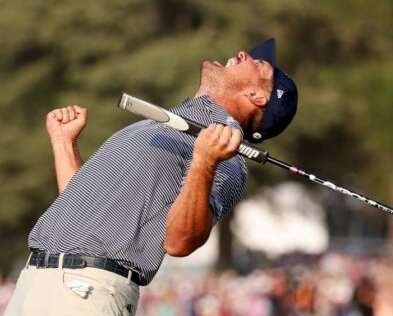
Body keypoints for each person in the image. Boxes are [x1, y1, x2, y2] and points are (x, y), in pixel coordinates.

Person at [5, 38, 297, 315]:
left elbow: (180, 243)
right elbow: (83, 207)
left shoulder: (228, 159)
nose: (244, 54)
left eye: (259, 65)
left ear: (256, 96)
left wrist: (205, 162)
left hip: (87, 291)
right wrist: (64, 144)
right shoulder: (156, 125)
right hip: (34, 283)